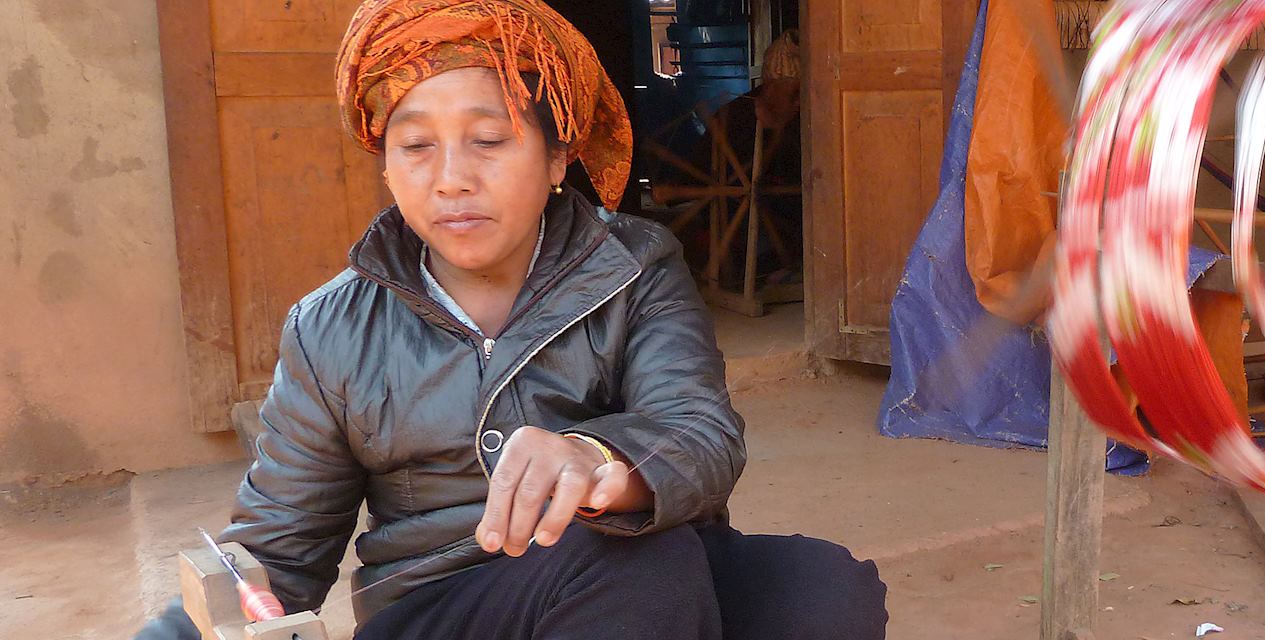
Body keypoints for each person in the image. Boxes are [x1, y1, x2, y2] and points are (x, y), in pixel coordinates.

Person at [135, 1, 886, 638]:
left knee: (821, 590)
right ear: (385, 164)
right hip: (443, 606)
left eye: (490, 140)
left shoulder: (635, 268)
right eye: (416, 146)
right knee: (631, 566)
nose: (452, 178)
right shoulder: (331, 328)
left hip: (631, 574)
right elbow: (278, 552)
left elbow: (700, 431)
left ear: (559, 156)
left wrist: (596, 460)